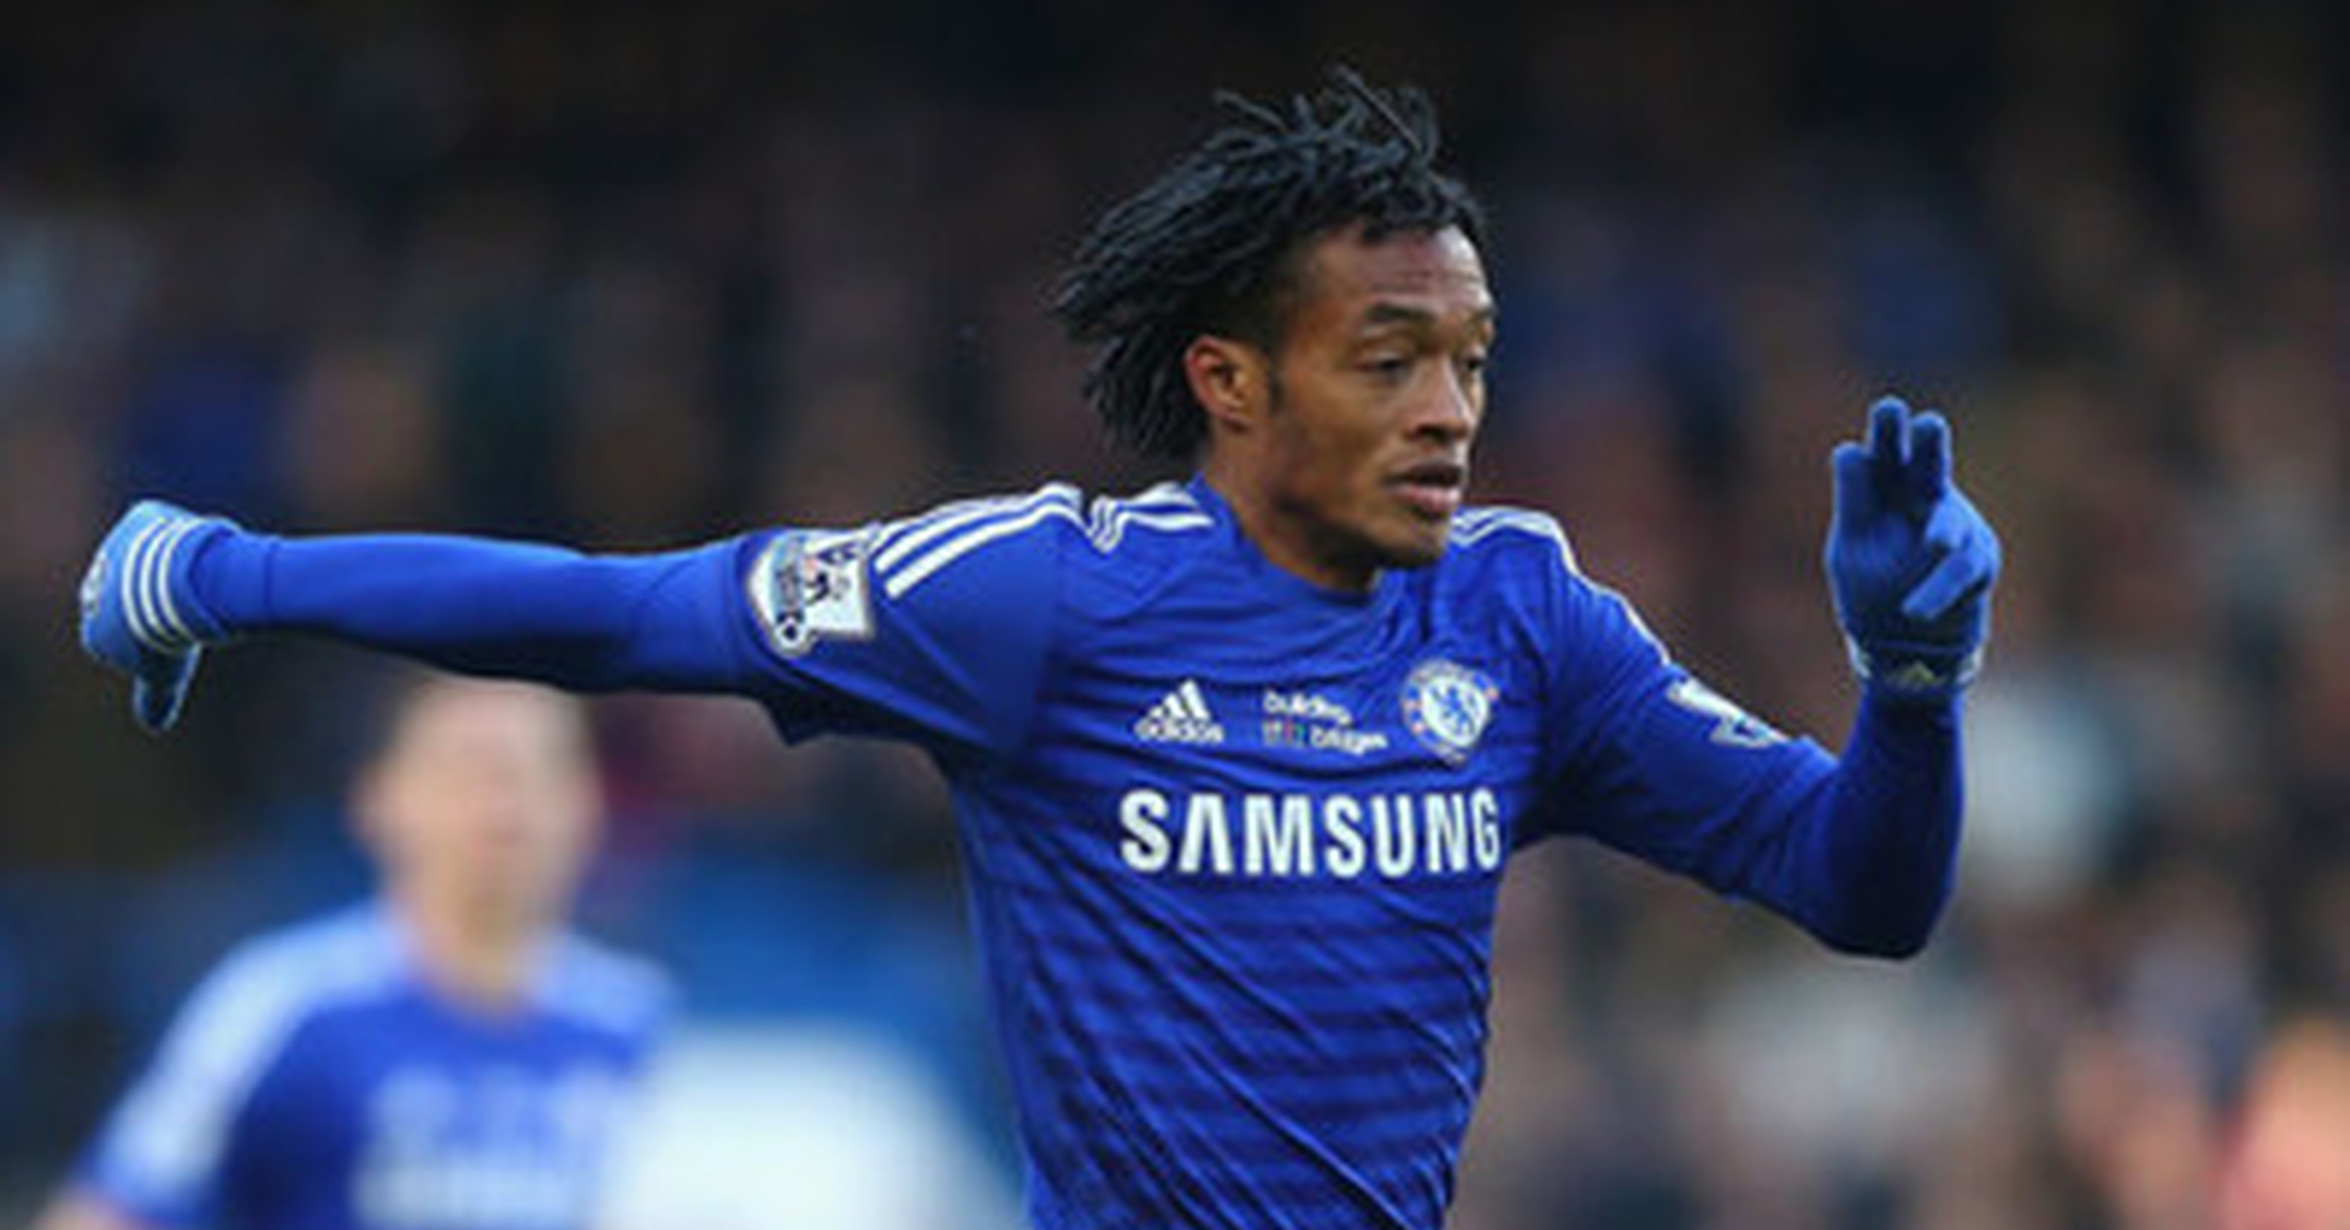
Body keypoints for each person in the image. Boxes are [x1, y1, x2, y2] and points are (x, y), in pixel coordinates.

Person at [77, 69, 1998, 1230]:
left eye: (1472, 360)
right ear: (1231, 381)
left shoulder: (1526, 617)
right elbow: (619, 611)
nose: (1448, 413)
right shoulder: (1038, 600)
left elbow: (1863, 890)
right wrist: (228, 568)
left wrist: (1910, 684)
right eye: (1388, 360)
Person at [32, 676, 669, 1230]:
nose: (507, 806)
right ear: (379, 800)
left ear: (588, 805)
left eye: (539, 770)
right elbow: (112, 1208)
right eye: (473, 769)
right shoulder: (284, 1005)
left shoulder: (635, 1022)